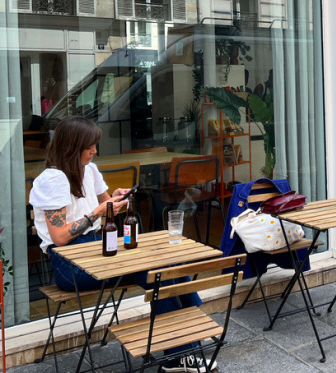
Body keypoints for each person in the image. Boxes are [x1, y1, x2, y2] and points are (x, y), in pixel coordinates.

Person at [28, 116, 215, 373]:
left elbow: (107, 207)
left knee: (169, 263)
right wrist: (97, 212)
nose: (95, 151)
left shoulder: (89, 170)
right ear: (72, 147)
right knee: (153, 270)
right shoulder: (53, 180)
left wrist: (117, 200)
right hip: (68, 262)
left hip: (98, 247)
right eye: (89, 146)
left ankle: (186, 340)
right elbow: (59, 236)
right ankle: (181, 352)